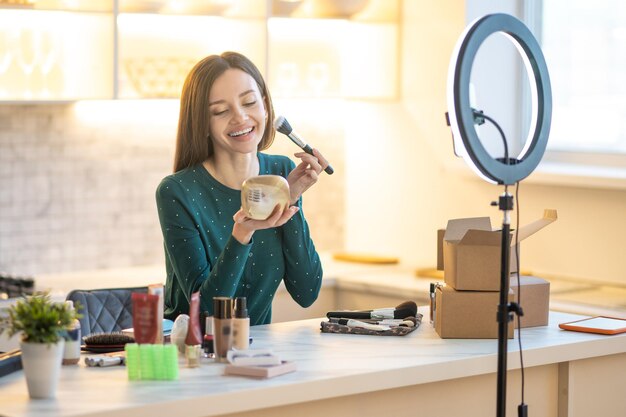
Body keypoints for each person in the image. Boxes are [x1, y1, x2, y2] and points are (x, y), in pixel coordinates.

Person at [156, 51, 328, 325]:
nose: (240, 117)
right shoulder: (177, 191)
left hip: (257, 354)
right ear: (202, 123)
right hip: (192, 355)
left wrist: (290, 200)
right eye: (221, 111)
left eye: (249, 102)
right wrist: (242, 233)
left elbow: (307, 292)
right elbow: (208, 314)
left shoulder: (281, 173)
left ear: (266, 108)